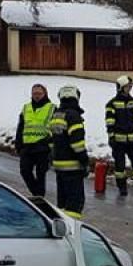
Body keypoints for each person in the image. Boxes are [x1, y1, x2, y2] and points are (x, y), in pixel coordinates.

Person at [49, 85, 89, 219]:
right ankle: (72, 231)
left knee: (62, 202)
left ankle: (61, 227)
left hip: (59, 165)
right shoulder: (74, 116)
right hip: (73, 166)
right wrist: (84, 161)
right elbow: (77, 144)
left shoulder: (56, 115)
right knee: (74, 204)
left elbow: (51, 140)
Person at [105, 76, 133, 196]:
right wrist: (111, 137)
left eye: (130, 87)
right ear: (121, 88)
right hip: (118, 140)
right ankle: (122, 188)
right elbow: (110, 123)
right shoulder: (112, 104)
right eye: (127, 87)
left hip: (131, 140)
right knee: (120, 166)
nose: (129, 89)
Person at [15, 84, 55, 198]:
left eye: (39, 93)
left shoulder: (52, 108)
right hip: (27, 147)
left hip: (43, 147)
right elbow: (21, 127)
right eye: (34, 93)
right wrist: (18, 144)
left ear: (45, 94)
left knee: (41, 174)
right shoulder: (26, 108)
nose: (36, 96)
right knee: (25, 171)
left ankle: (40, 197)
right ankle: (37, 194)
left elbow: (56, 128)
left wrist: (50, 142)